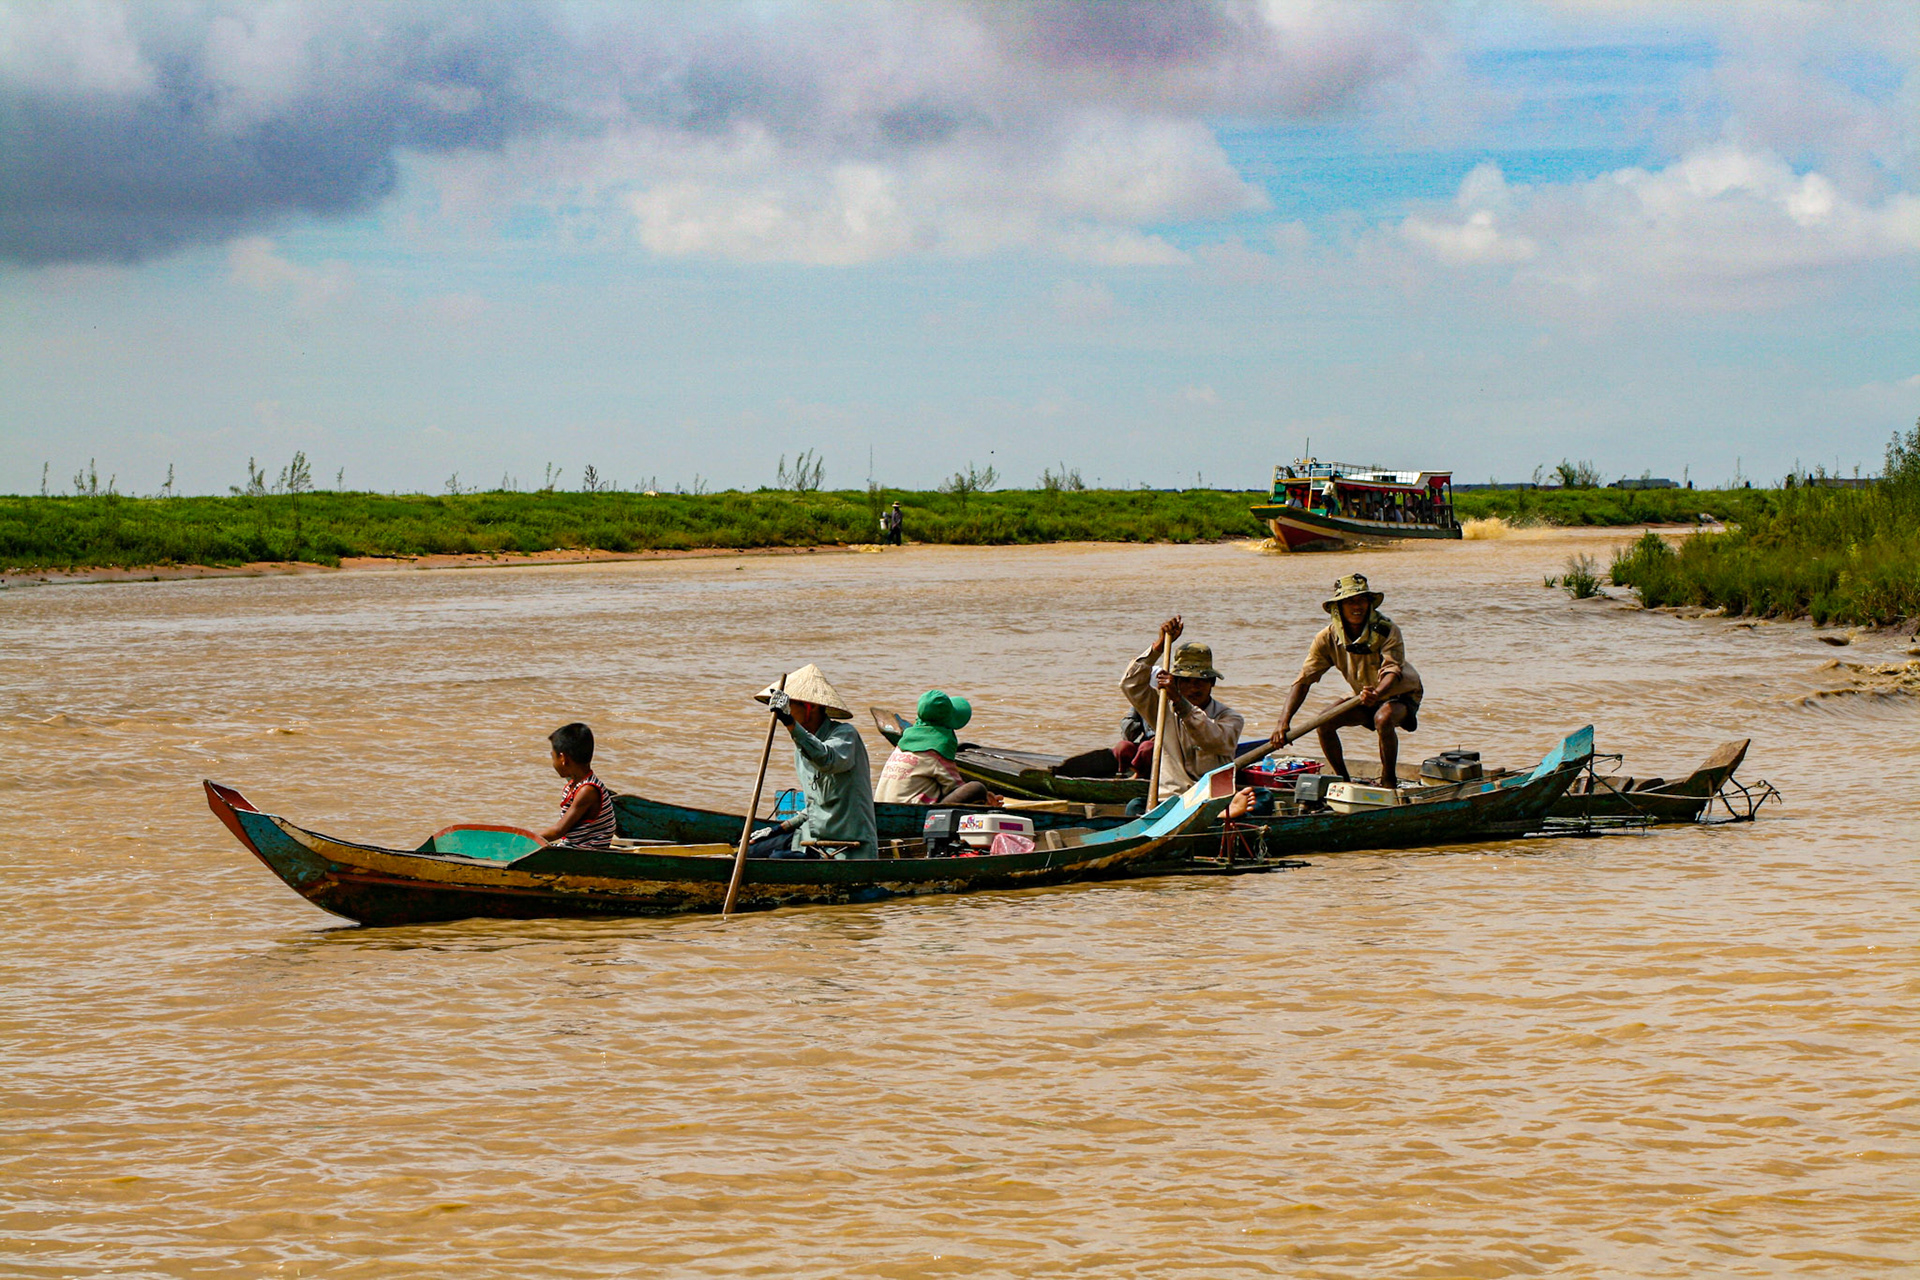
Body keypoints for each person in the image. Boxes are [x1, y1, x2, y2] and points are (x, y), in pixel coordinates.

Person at [1272, 573, 1423, 787]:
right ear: (1338, 607)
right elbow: (1304, 680)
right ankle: (1343, 781)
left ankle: (1389, 780)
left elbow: (1392, 670)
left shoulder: (1387, 629)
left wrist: (1377, 694)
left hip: (1400, 693)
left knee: (1383, 718)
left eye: (1362, 600)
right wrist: (1283, 722)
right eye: (1350, 601)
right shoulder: (1326, 638)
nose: (1357, 607)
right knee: (1324, 723)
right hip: (1362, 695)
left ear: (1369, 604)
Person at [748, 663, 879, 860]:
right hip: (807, 839)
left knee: (777, 861)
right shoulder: (802, 747)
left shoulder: (845, 735)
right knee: (748, 852)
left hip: (843, 848)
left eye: (790, 705)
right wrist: (777, 829)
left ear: (811, 707)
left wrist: (790, 722)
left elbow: (827, 760)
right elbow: (813, 807)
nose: (783, 711)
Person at [1119, 616, 1245, 792]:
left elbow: (1212, 740)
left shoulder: (1230, 718)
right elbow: (1130, 684)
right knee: (1135, 805)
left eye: (1200, 681)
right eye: (1186, 681)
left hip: (1211, 796)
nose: (1194, 688)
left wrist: (1180, 702)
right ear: (1176, 683)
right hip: (1172, 796)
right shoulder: (1163, 712)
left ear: (1212, 683)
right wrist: (1159, 646)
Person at [875, 688, 995, 805]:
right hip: (911, 811)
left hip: (881, 807)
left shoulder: (903, 743)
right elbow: (955, 787)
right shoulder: (937, 751)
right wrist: (985, 797)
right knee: (976, 788)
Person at [537, 722, 618, 848]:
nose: (553, 763)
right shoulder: (576, 783)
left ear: (563, 759)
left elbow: (558, 831)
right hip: (573, 847)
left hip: (585, 853)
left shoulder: (587, 790)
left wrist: (523, 838)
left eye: (553, 757)